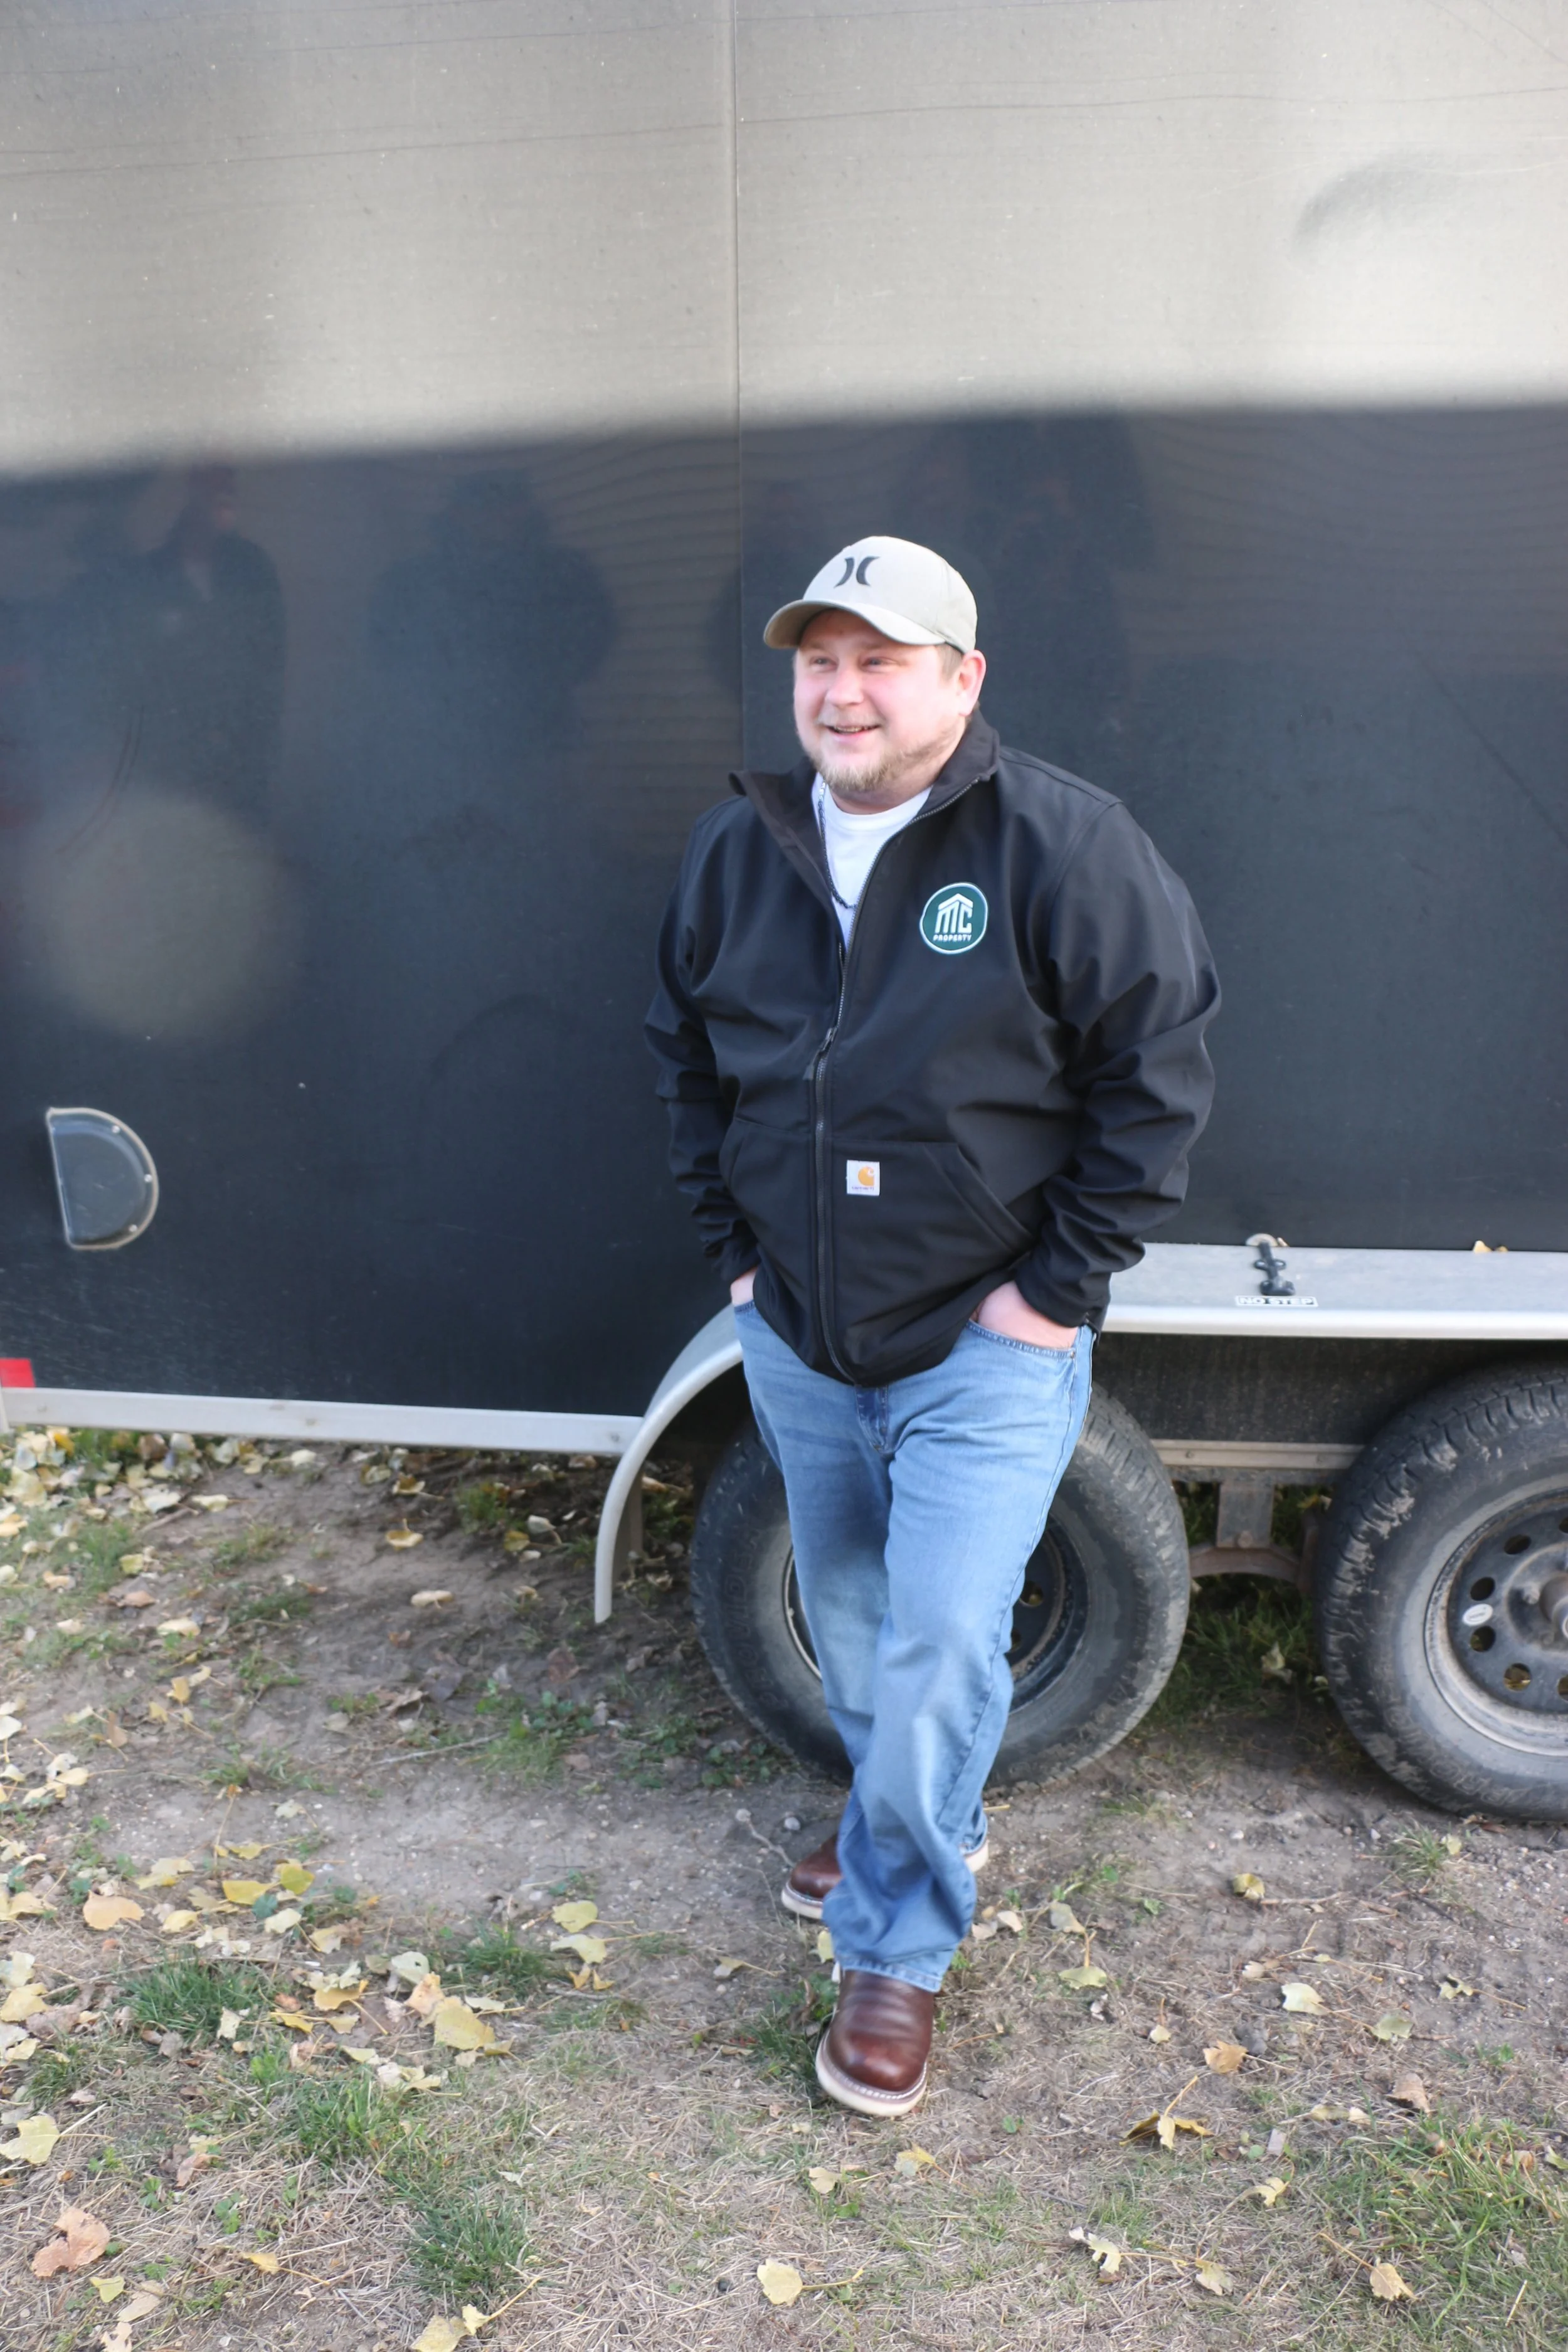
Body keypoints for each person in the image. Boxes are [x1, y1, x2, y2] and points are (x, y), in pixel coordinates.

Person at [646, 535, 1219, 2117]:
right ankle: (903, 1815)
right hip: (799, 1332)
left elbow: (1155, 1079)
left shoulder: (1062, 846)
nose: (841, 693)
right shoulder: (737, 849)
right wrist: (738, 1260)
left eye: (879, 662)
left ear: (960, 681)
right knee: (844, 1612)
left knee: (947, 1632)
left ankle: (894, 1946)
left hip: (984, 1341)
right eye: (818, 661)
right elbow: (685, 1061)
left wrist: (1051, 1296)